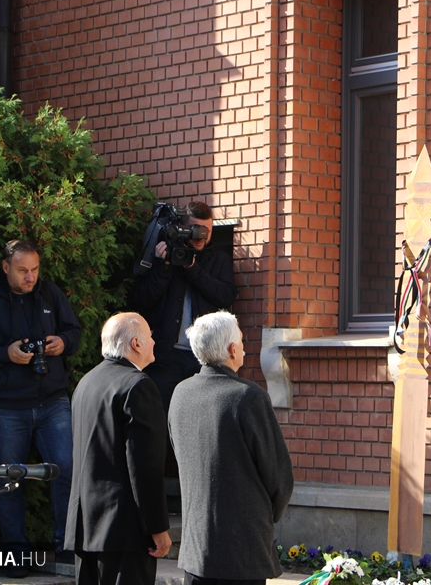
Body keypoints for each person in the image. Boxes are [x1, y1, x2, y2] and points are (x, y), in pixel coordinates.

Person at [0, 239, 81, 570]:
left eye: (35, 269)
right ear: (6, 267)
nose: (30, 277)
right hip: (7, 408)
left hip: (53, 401)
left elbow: (75, 332)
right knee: (8, 481)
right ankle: (16, 554)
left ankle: (65, 546)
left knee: (66, 470)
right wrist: (5, 354)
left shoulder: (49, 294)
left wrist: (62, 342)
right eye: (23, 270)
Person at [168, 311, 294, 585]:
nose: (244, 349)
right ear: (232, 349)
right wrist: (265, 515)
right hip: (241, 551)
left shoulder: (180, 394)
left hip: (196, 550)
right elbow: (279, 477)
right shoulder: (248, 397)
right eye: (242, 342)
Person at [65, 313, 172, 585]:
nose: (154, 341)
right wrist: (157, 527)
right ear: (136, 343)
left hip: (86, 526)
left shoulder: (86, 382)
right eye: (150, 336)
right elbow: (144, 465)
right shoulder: (138, 385)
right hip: (125, 530)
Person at [132, 201, 237, 423]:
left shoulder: (217, 259)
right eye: (196, 229)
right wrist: (162, 267)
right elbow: (142, 299)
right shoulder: (163, 256)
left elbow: (226, 296)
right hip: (166, 357)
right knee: (162, 421)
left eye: (207, 231)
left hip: (203, 359)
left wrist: (192, 269)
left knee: (199, 421)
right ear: (182, 228)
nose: (201, 236)